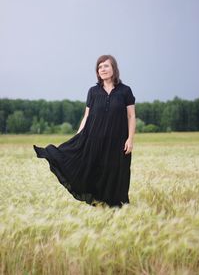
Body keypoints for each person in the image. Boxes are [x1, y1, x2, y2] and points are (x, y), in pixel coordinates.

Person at [33, 55, 136, 208]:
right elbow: (87, 116)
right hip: (94, 139)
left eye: (106, 66)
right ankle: (100, 202)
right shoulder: (93, 91)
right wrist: (78, 136)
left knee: (116, 172)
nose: (102, 69)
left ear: (114, 68)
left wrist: (130, 139)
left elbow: (131, 116)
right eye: (99, 67)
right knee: (95, 170)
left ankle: (116, 205)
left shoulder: (125, 91)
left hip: (117, 141)